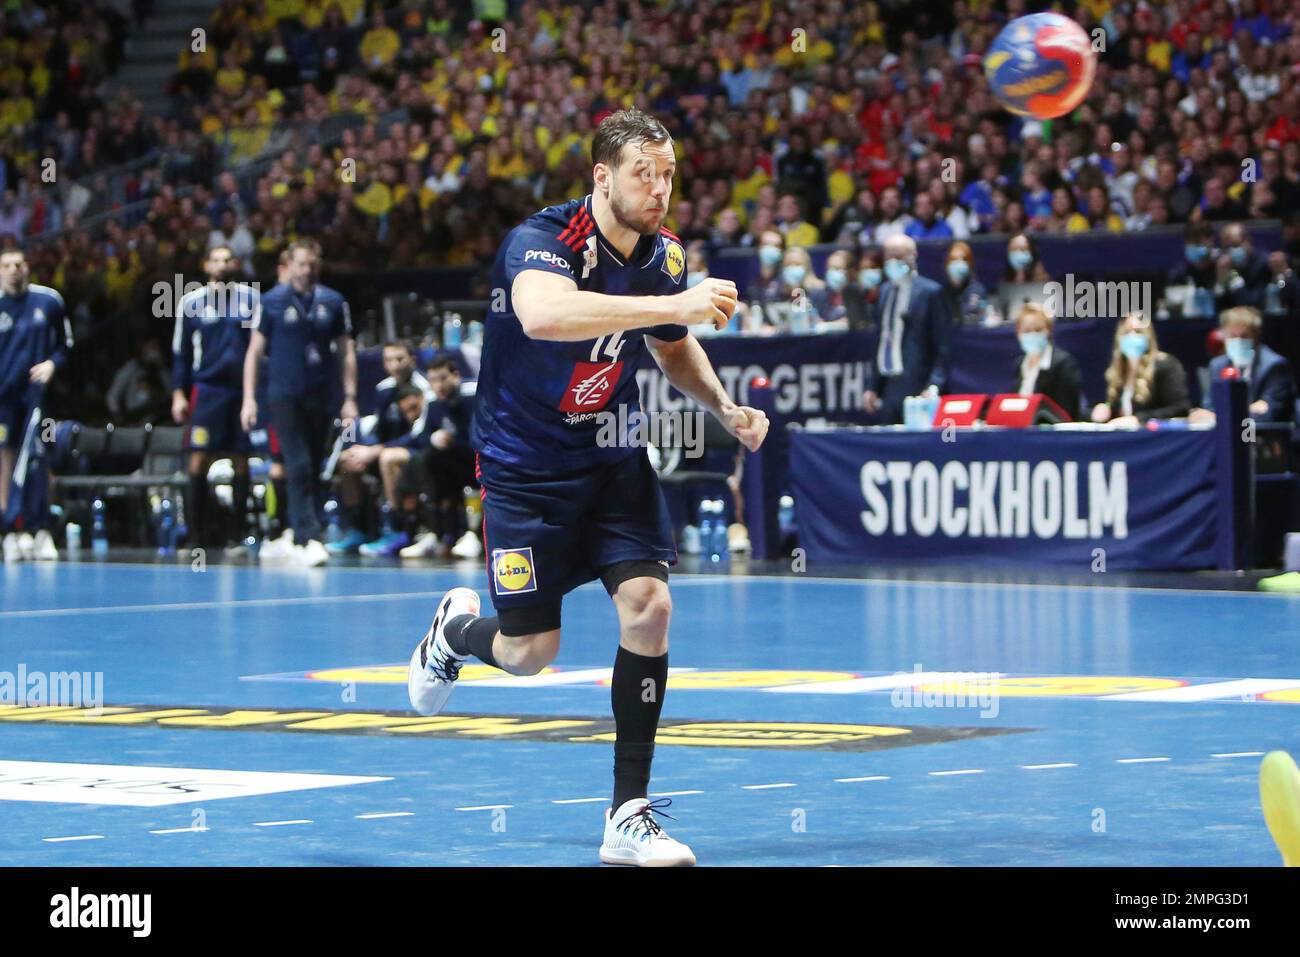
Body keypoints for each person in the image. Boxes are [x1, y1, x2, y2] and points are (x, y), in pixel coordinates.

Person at [405, 109, 769, 866]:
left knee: (651, 604)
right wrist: (673, 304)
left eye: (668, 174)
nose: (660, 188)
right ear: (601, 175)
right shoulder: (541, 241)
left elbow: (671, 350)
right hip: (523, 469)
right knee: (531, 649)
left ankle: (627, 814)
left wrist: (724, 406)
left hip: (610, 454)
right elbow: (544, 316)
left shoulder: (664, 259)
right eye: (645, 172)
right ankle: (453, 634)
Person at [241, 239, 356, 566]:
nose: (307, 271)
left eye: (312, 265)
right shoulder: (272, 302)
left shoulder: (333, 301)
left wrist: (349, 397)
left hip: (321, 394)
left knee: (317, 466)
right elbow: (254, 352)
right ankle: (308, 535)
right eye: (302, 264)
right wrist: (249, 399)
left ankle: (300, 528)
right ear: (289, 265)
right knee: (298, 463)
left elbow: (346, 351)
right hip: (283, 395)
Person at [171, 245, 259, 554]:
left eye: (227, 260)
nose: (221, 266)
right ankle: (196, 536)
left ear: (235, 264)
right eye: (216, 260)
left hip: (241, 392)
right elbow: (180, 353)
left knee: (240, 460)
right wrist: (178, 394)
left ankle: (236, 534)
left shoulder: (251, 299)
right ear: (206, 265)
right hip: (207, 391)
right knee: (198, 459)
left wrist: (255, 392)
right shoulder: (190, 302)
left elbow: (259, 348)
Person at [328, 339, 434, 556]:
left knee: (387, 458)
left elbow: (418, 434)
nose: (394, 365)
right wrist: (364, 450)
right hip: (386, 447)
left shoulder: (425, 389)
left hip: (418, 451)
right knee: (349, 459)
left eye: (399, 359)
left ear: (412, 360)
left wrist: (375, 451)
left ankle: (397, 530)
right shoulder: (384, 389)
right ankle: (358, 529)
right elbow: (377, 428)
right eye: (388, 360)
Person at [0, 249, 71, 563]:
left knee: (42, 457)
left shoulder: (49, 301)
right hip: (4, 400)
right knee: (4, 459)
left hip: (41, 398)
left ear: (27, 267)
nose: (14, 270)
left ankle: (41, 528)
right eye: (7, 266)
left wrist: (52, 365)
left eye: (19, 264)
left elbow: (66, 345)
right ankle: (11, 531)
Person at [861, 233, 951, 425]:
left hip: (918, 385)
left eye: (900, 255)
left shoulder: (930, 292)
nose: (893, 261)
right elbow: (880, 340)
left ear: (914, 255)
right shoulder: (884, 292)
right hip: (889, 384)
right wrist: (872, 386)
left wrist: (934, 385)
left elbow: (943, 345)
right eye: (889, 256)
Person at [400, 355, 480, 559]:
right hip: (451, 464)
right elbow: (422, 438)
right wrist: (435, 439)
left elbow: (482, 437)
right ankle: (434, 533)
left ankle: (474, 535)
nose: (438, 385)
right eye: (433, 380)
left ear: (456, 375)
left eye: (442, 378)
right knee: (422, 459)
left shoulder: (474, 396)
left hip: (477, 459)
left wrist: (455, 441)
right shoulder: (434, 404)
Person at [1189, 306, 1296, 425]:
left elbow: (1268, 414)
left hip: (1263, 437)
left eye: (1244, 336)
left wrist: (1219, 416)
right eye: (1233, 336)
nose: (1238, 341)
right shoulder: (1217, 365)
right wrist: (1248, 409)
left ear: (1256, 336)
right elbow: (1208, 407)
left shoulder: (1274, 365)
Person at [1090, 312, 1191, 427]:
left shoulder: (1165, 365)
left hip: (1154, 438)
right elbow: (1117, 412)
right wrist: (1103, 410)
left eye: (1138, 332)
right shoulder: (1118, 370)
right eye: (1127, 332)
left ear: (1148, 337)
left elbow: (1181, 408)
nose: (1132, 336)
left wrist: (1139, 419)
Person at [1010, 303, 1083, 420]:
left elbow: (1067, 412)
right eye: (1027, 330)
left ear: (1048, 330)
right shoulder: (1020, 364)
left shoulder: (1063, 363)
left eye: (1038, 329)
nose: (1032, 334)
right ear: (1019, 334)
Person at [943, 241, 992, 326]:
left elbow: (972, 313)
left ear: (970, 264)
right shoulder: (942, 292)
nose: (958, 264)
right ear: (947, 264)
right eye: (954, 259)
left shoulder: (977, 290)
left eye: (963, 259)